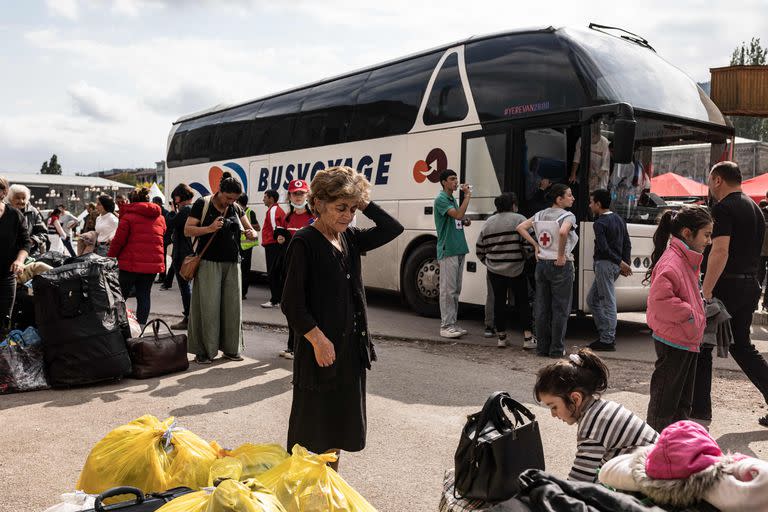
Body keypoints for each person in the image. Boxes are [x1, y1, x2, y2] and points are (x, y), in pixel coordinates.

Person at [281, 166, 403, 471]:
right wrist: (318, 340)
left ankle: (328, 488)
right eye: (340, 208)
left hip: (350, 352)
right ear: (319, 203)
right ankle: (305, 492)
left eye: (352, 209)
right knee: (312, 433)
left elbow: (393, 228)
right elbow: (292, 304)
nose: (348, 215)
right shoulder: (305, 242)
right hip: (320, 353)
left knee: (338, 428)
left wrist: (363, 201)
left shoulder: (349, 237)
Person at [701, 161, 768, 428]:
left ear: (718, 180)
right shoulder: (754, 207)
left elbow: (720, 251)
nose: (709, 185)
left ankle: (697, 412)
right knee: (741, 345)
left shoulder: (724, 208)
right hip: (751, 283)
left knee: (702, 345)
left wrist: (705, 290)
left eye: (709, 179)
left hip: (728, 285)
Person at [534, 348, 658, 483]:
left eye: (554, 407)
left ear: (576, 399)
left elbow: (579, 481)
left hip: (654, 481)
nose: (553, 414)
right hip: (655, 470)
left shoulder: (591, 426)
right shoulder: (601, 409)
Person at [645, 206, 712, 432]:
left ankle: (675, 452)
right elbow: (660, 301)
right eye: (706, 234)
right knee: (664, 406)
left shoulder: (685, 258)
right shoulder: (673, 261)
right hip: (674, 339)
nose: (709, 241)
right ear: (686, 233)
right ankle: (654, 451)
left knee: (681, 405)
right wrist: (690, 314)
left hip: (684, 339)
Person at [184, 172, 258, 364]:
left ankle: (231, 349)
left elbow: (253, 233)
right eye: (228, 198)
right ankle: (204, 351)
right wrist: (209, 228)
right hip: (208, 262)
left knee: (232, 309)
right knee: (208, 308)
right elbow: (188, 229)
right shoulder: (203, 203)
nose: (230, 202)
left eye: (234, 199)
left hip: (233, 262)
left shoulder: (236, 207)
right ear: (220, 191)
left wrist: (251, 233)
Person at [517, 183, 578, 358]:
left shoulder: (540, 214)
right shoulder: (568, 216)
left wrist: (536, 245)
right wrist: (560, 255)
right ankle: (557, 350)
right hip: (560, 266)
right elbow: (564, 231)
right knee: (560, 309)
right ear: (559, 199)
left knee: (542, 307)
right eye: (569, 195)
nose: (572, 198)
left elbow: (520, 227)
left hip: (542, 264)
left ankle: (542, 348)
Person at [476, 192, 536, 349]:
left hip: (495, 271)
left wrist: (490, 263)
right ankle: (528, 339)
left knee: (499, 303)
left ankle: (501, 337)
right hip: (517, 269)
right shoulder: (520, 219)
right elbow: (529, 244)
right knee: (523, 303)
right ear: (513, 205)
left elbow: (480, 249)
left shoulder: (488, 222)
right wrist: (524, 257)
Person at [107, 187, 166, 325]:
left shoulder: (128, 217)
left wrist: (110, 257)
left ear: (131, 201)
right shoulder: (160, 217)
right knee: (144, 295)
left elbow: (118, 241)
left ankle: (116, 325)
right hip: (152, 264)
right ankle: (141, 328)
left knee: (120, 296)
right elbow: (161, 233)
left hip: (130, 264)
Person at [586, 189, 632, 352]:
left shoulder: (599, 223)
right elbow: (627, 243)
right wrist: (624, 262)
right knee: (592, 300)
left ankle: (607, 339)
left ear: (598, 204)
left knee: (607, 302)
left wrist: (621, 263)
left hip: (605, 265)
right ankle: (605, 334)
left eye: (591, 202)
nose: (590, 205)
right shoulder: (619, 219)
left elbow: (604, 248)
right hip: (614, 266)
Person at [278, 179, 314, 359]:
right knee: (291, 306)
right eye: (294, 194)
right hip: (291, 267)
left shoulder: (314, 217)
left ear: (308, 195)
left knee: (307, 307)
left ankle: (304, 346)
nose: (298, 197)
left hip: (310, 269)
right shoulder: (287, 217)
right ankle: (292, 346)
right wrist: (281, 240)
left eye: (301, 194)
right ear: (289, 195)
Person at [434, 169, 471, 339]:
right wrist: (467, 197)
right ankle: (446, 325)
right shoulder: (441, 199)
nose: (456, 182)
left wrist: (464, 220)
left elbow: (458, 218)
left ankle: (453, 324)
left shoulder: (452, 199)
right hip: (448, 249)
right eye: (452, 179)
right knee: (448, 290)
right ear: (443, 182)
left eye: (456, 179)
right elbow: (457, 215)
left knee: (456, 289)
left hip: (459, 248)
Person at [0, 176, 31, 334]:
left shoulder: (14, 215)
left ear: (3, 192)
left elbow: (26, 242)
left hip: (6, 277)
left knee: (4, 322)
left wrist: (19, 260)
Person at [167, 183, 195, 330]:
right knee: (188, 287)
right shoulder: (193, 208)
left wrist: (172, 211)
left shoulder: (185, 210)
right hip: (188, 252)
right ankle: (192, 317)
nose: (174, 200)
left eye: (175, 197)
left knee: (185, 288)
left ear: (180, 196)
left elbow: (171, 223)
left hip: (183, 254)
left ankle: (189, 318)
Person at [260, 189, 286, 308]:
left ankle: (275, 300)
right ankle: (278, 299)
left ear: (271, 198)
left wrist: (276, 241)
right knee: (277, 272)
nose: (263, 199)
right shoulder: (276, 209)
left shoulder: (273, 210)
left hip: (273, 244)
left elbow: (277, 229)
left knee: (273, 272)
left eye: (265, 197)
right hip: (275, 245)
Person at [569, 122, 611, 194]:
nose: (592, 138)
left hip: (600, 176)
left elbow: (605, 166)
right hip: (585, 174)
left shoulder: (605, 142)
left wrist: (596, 178)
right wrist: (573, 173)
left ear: (599, 134)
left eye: (594, 136)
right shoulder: (581, 140)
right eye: (591, 136)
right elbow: (576, 158)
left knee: (595, 196)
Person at [8, 184, 48, 257]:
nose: (21, 201)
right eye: (17, 198)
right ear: (10, 198)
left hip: (30, 253)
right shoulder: (4, 210)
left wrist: (32, 241)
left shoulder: (33, 212)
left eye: (24, 198)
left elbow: (43, 233)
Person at [237, 193, 260, 300]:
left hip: (247, 246)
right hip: (239, 246)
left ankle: (243, 293)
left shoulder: (250, 212)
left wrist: (247, 225)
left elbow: (257, 227)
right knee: (238, 270)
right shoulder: (236, 212)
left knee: (245, 270)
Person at [152, 197, 174, 290]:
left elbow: (168, 226)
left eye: (154, 203)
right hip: (162, 238)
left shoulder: (164, 213)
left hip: (165, 239)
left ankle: (162, 277)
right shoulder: (161, 212)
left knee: (163, 259)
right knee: (162, 259)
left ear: (159, 203)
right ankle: (162, 276)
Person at [759, 198, 768, 312]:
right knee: (759, 277)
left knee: (759, 277)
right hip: (761, 251)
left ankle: (764, 303)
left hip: (761, 251)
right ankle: (764, 304)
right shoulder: (761, 212)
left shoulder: (760, 213)